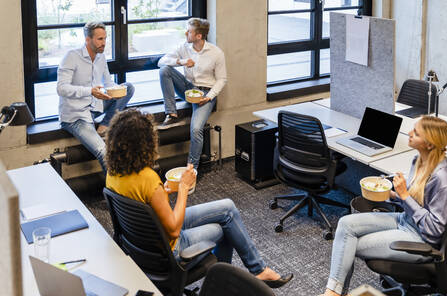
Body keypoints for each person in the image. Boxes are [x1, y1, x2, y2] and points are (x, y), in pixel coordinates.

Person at [105, 109, 293, 289]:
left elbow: (142, 202)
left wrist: (164, 192)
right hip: (169, 251)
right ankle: (224, 284)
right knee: (223, 228)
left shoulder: (112, 174)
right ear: (144, 143)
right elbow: (173, 230)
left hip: (144, 244)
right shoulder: (147, 178)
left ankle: (256, 271)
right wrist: (184, 189)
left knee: (227, 208)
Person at [319, 116, 447, 296]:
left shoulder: (443, 181)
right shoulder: (418, 161)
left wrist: (405, 195)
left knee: (348, 244)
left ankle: (333, 294)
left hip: (421, 239)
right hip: (404, 219)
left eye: (415, 133)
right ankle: (335, 293)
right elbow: (413, 202)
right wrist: (391, 194)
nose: (409, 133)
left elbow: (434, 231)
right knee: (345, 224)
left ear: (429, 144)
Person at [57, 21, 134, 172]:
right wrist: (90, 91)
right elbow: (61, 88)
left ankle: (104, 125)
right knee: (104, 152)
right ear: (87, 39)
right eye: (100, 39)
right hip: (76, 116)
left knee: (129, 87)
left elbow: (109, 82)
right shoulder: (71, 56)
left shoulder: (101, 57)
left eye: (105, 38)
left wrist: (113, 91)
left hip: (95, 106)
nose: (104, 43)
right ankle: (115, 194)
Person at [156, 18, 227, 169]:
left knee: (195, 130)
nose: (186, 33)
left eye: (189, 31)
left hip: (205, 93)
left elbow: (222, 79)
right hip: (188, 89)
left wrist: (209, 97)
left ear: (199, 36)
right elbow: (161, 61)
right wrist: (181, 62)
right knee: (165, 70)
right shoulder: (184, 47)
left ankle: (191, 169)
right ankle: (171, 113)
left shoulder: (216, 53)